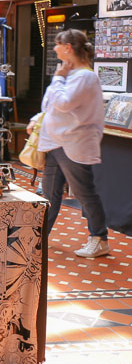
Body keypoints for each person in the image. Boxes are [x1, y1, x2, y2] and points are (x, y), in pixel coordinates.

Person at [29, 29, 109, 258]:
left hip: (73, 142)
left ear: (69, 48)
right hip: (56, 141)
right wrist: (38, 119)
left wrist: (58, 79)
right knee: (48, 193)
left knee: (85, 193)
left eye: (57, 44)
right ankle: (39, 236)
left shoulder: (85, 76)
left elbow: (63, 103)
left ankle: (100, 238)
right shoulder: (67, 74)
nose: (54, 49)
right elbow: (50, 104)